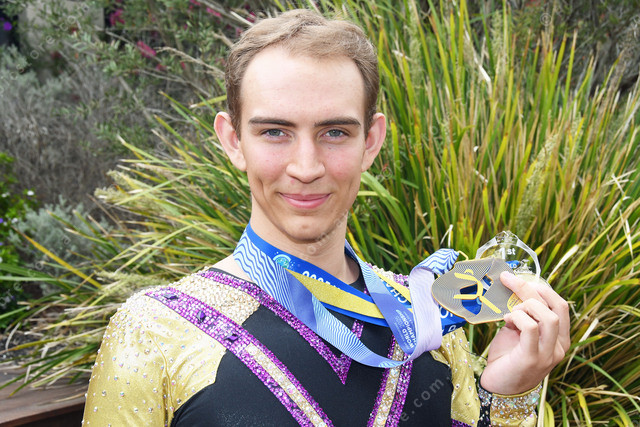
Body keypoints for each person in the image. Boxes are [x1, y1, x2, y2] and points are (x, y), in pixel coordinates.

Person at [82, 9, 570, 427]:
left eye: (334, 132)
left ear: (371, 142)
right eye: (275, 132)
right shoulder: (155, 331)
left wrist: (510, 394)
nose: (306, 167)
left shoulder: (428, 321)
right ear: (233, 140)